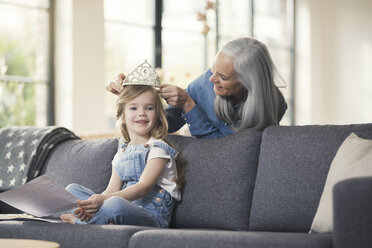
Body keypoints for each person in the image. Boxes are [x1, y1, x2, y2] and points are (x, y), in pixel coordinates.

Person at [106, 37, 287, 139]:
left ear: (248, 82)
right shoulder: (203, 84)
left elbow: (227, 150)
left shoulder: (272, 105)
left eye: (222, 77)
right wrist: (135, 97)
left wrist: (188, 105)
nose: (211, 79)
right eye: (212, 69)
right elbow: (165, 125)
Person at [61, 83, 182, 228]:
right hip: (124, 209)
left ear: (157, 115)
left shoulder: (158, 150)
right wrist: (96, 203)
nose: (142, 112)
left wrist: (104, 200)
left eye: (149, 108)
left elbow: (143, 187)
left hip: (151, 217)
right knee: (71, 190)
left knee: (114, 204)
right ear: (122, 116)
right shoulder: (122, 152)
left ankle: (81, 221)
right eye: (133, 108)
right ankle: (96, 217)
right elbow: (111, 190)